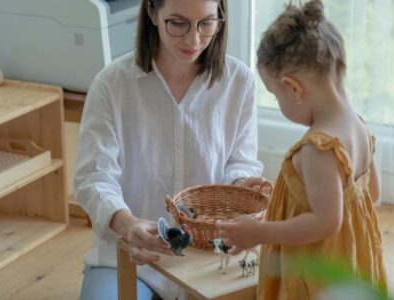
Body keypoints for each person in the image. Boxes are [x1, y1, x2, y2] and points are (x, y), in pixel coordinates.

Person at [74, 0, 268, 299]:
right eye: (178, 23)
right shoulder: (112, 85)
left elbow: (239, 162)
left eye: (206, 23)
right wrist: (127, 224)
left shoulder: (238, 82)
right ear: (152, 12)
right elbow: (93, 178)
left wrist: (241, 187)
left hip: (209, 258)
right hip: (129, 257)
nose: (193, 39)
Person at [216, 0, 387, 299]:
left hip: (316, 277)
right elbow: (371, 195)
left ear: (293, 88)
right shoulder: (358, 127)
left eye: (275, 95)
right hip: (352, 268)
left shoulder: (317, 148)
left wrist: (258, 233)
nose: (279, 103)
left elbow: (326, 221)